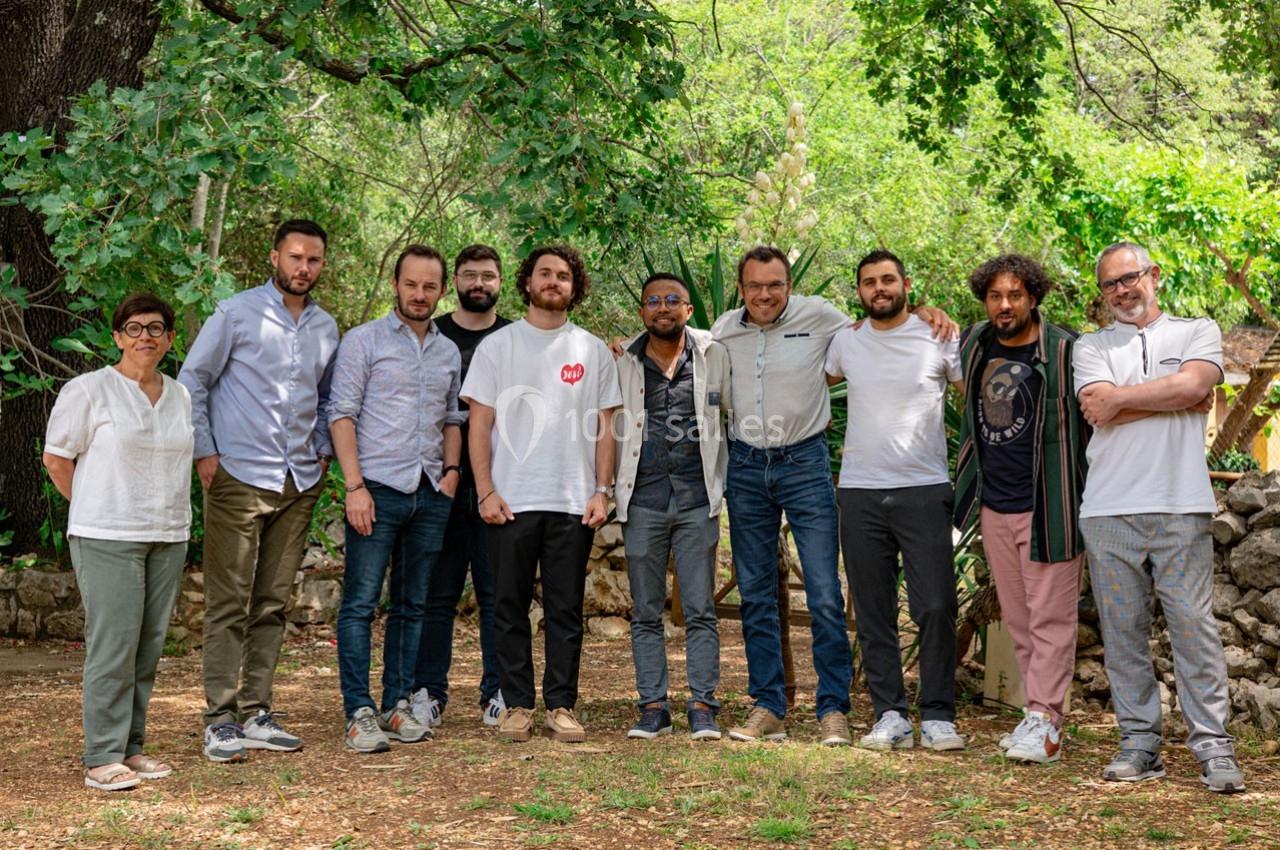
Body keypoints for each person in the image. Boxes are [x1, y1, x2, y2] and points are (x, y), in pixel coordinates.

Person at [712, 245, 956, 746]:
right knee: (756, 592)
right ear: (741, 288)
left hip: (805, 463)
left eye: (775, 284)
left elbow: (884, 323)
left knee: (825, 593)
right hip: (745, 464)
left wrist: (929, 311)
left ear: (789, 286)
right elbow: (677, 350)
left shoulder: (823, 318)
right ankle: (768, 706)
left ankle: (833, 708)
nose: (765, 294)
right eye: (755, 285)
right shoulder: (722, 330)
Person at [1073, 240, 1245, 793]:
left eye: (1131, 277)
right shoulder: (1090, 345)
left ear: (1155, 276)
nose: (1123, 290)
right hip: (1108, 509)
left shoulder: (1197, 331)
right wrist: (1173, 397)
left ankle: (1214, 749)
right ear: (1102, 294)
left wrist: (1130, 400)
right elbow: (1099, 405)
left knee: (1193, 628)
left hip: (1180, 505)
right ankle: (1140, 745)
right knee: (1123, 634)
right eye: (1110, 284)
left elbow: (1198, 385)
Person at [178, 219, 340, 763]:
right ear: (275, 257)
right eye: (295, 257)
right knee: (228, 600)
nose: (303, 268)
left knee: (272, 601)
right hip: (239, 476)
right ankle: (219, 719)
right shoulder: (236, 312)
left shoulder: (326, 327)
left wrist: (321, 449)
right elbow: (193, 379)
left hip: (299, 480)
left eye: (313, 260)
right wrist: (205, 452)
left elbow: (326, 395)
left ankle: (256, 711)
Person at [462, 245, 622, 743]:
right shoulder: (499, 346)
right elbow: (480, 423)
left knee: (564, 609)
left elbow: (604, 426)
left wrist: (602, 490)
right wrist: (485, 491)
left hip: (572, 500)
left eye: (564, 276)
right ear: (527, 282)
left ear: (575, 287)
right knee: (507, 606)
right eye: (544, 274)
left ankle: (561, 705)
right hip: (509, 501)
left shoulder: (591, 349)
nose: (554, 281)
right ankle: (515, 706)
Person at [43, 293, 193, 790]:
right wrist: (92, 504)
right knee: (114, 646)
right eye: (133, 327)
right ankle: (101, 755)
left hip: (167, 535)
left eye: (155, 327)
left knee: (147, 648)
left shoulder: (180, 395)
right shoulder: (88, 390)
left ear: (170, 338)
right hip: (107, 534)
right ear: (116, 337)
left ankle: (130, 748)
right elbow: (57, 460)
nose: (144, 337)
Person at [826, 249, 966, 752]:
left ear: (906, 284)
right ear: (859, 291)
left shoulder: (939, 336)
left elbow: (974, 396)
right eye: (869, 282)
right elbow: (802, 381)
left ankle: (938, 715)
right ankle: (890, 713)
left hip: (925, 487)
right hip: (859, 489)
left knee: (934, 603)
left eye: (888, 280)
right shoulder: (844, 342)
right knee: (873, 608)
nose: (879, 289)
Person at [952, 254, 1088, 763]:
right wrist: (922, 309)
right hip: (995, 504)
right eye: (994, 296)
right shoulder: (975, 342)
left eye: (1014, 295)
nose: (1004, 305)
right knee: (1019, 619)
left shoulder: (1065, 348)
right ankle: (1036, 714)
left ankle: (1049, 723)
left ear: (1033, 296)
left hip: (1049, 503)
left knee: (1051, 618)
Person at [330, 244, 463, 753]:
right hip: (376, 489)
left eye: (430, 286)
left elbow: (452, 417)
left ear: (440, 290)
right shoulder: (363, 341)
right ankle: (358, 711)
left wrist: (450, 473)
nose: (420, 294)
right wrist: (354, 485)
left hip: (429, 490)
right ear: (395, 284)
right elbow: (341, 413)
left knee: (414, 605)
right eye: (411, 284)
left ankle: (398, 703)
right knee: (361, 604)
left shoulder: (447, 350)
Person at [615, 272, 732, 741]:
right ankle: (653, 706)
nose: (662, 308)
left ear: (688, 309)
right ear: (642, 310)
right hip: (641, 498)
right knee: (645, 610)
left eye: (673, 300)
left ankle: (702, 704)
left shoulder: (713, 354)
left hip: (696, 498)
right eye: (652, 301)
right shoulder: (623, 359)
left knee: (701, 607)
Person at [411, 244, 511, 730]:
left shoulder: (515, 337)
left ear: (501, 282)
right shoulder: (435, 334)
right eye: (470, 275)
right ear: (455, 281)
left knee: (498, 593)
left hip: (500, 484)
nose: (479, 283)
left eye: (488, 276)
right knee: (438, 591)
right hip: (441, 482)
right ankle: (428, 690)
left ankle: (498, 691)